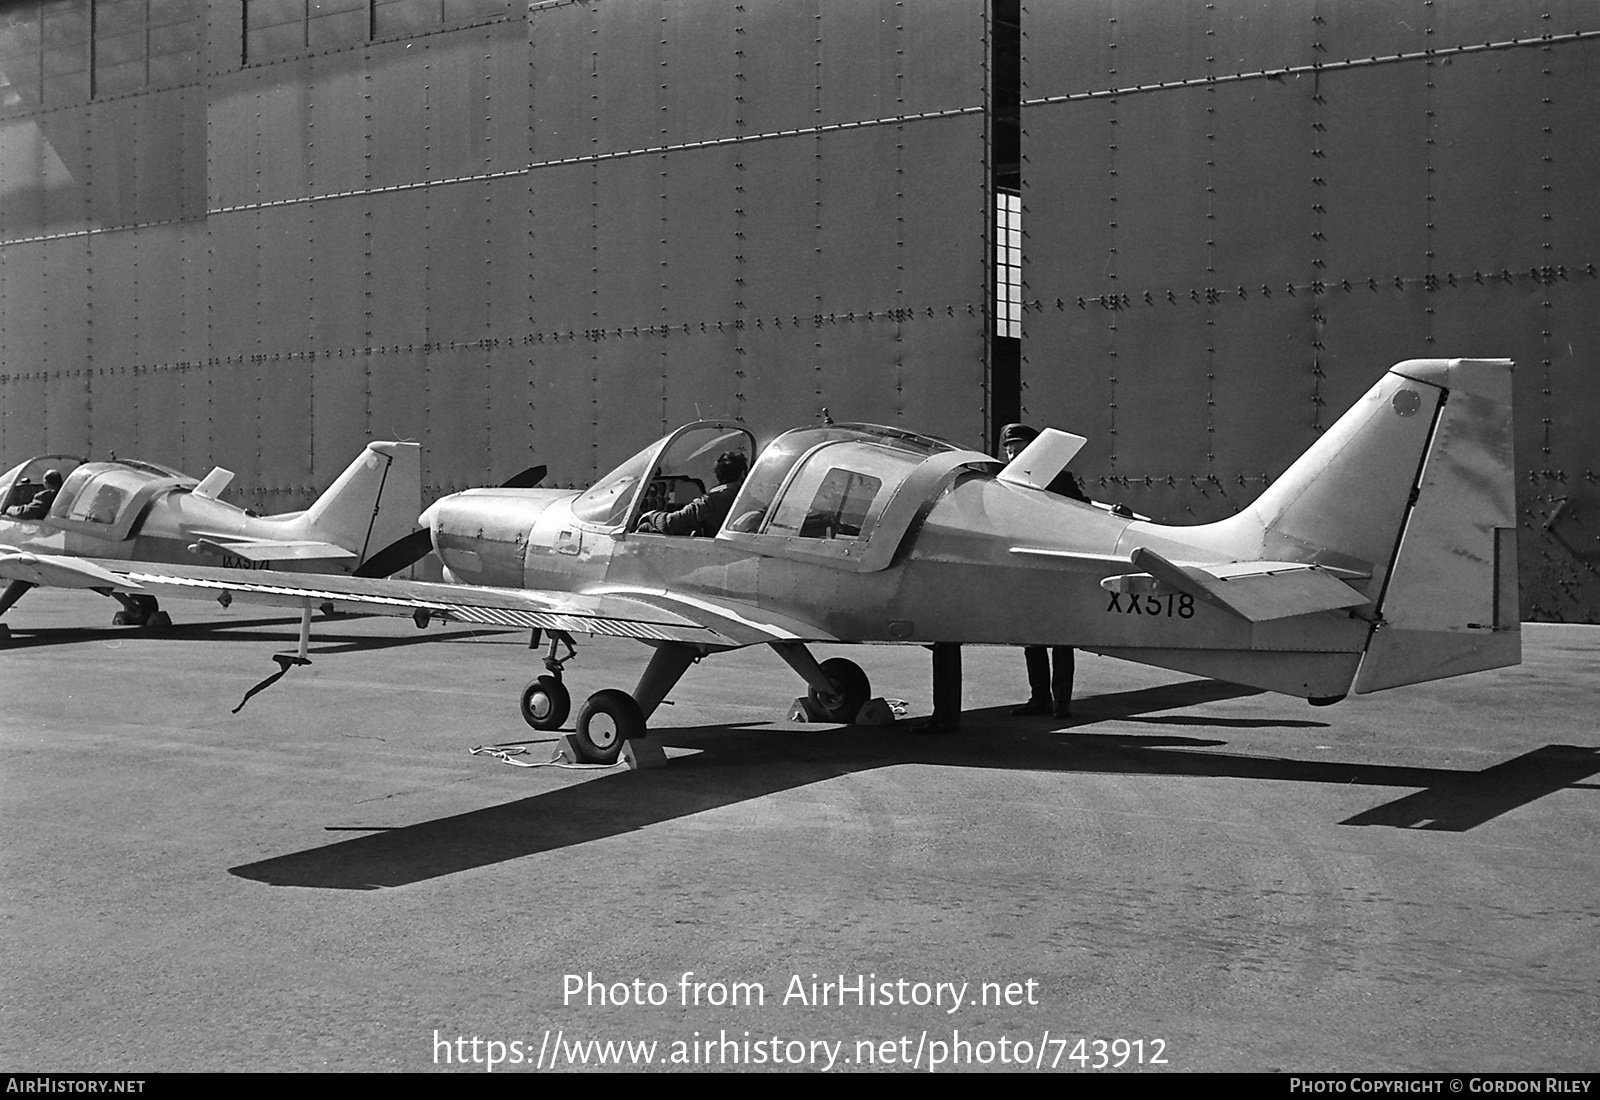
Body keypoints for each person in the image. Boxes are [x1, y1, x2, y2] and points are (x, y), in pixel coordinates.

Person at [999, 424, 1082, 720]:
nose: (1011, 453)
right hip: (1025, 568)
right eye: (1009, 449)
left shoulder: (1061, 479)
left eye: (1018, 448)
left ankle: (1061, 702)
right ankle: (1039, 698)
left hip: (1056, 565)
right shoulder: (1004, 481)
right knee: (1031, 636)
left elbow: (1083, 514)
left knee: (1060, 637)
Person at [635, 451, 748, 536]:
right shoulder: (751, 501)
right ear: (743, 474)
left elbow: (670, 524)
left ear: (718, 475)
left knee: (645, 527)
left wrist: (651, 515)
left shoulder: (709, 502)